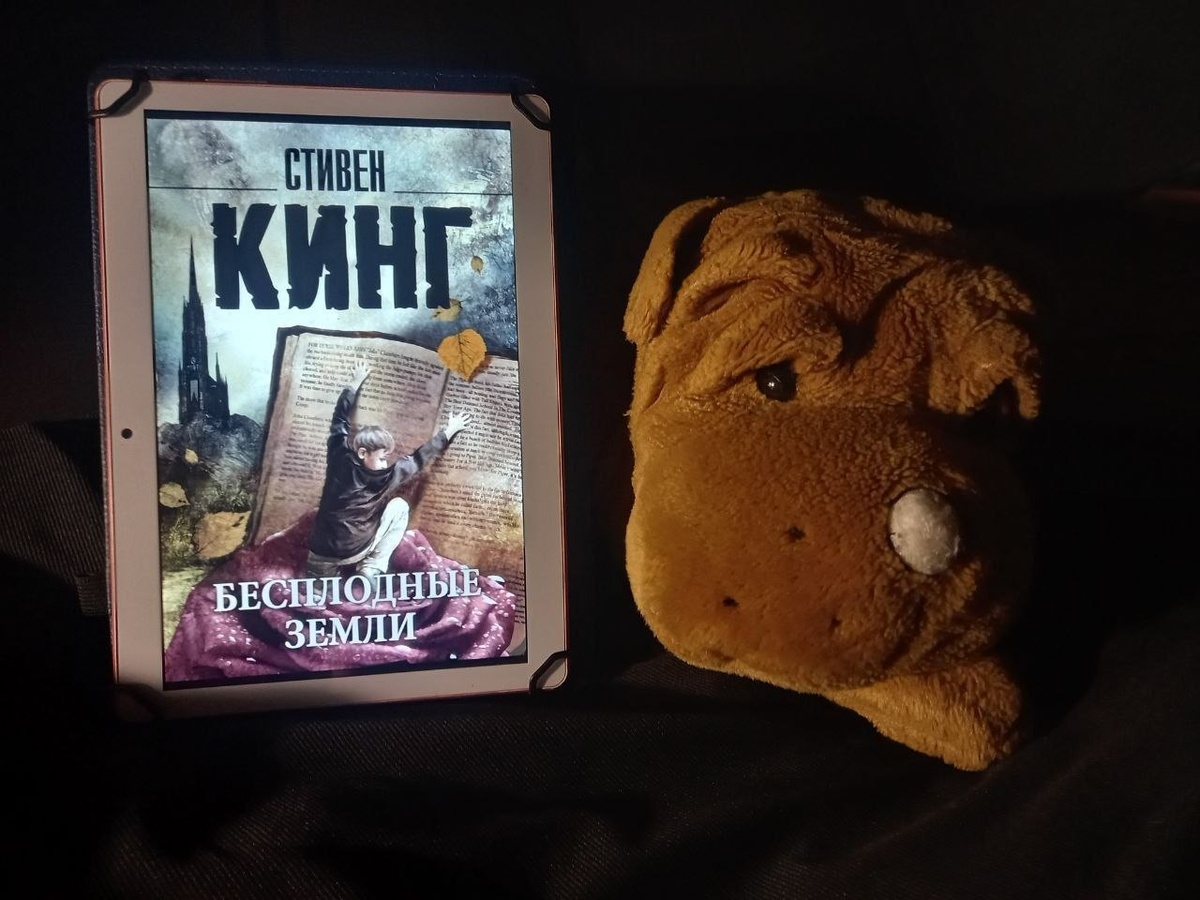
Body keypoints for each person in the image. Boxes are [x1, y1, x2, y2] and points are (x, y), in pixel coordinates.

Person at [305, 359, 472, 580]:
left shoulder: (339, 459)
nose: (386, 464)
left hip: (320, 553)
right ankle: (371, 567)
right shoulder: (389, 476)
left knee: (320, 584)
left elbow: (339, 421)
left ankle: (324, 575)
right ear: (363, 452)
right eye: (383, 458)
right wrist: (448, 432)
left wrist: (354, 383)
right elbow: (419, 458)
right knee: (399, 507)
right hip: (356, 550)